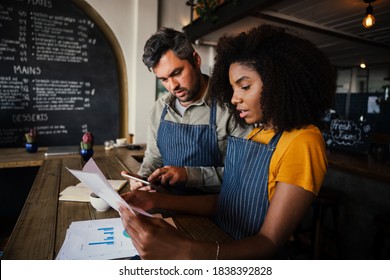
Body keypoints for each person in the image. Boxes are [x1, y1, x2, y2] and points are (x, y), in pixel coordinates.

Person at [119, 24, 335, 259]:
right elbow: (227, 202)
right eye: (232, 88)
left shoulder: (304, 141)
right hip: (221, 240)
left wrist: (185, 250)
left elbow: (270, 242)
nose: (233, 99)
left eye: (244, 86)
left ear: (278, 81)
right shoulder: (258, 134)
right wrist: (155, 199)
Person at [132, 27, 251, 193]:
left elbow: (244, 173)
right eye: (164, 79)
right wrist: (142, 178)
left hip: (214, 213)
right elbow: (154, 157)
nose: (173, 86)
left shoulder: (231, 108)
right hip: (167, 205)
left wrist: (190, 175)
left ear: (196, 60)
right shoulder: (159, 109)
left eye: (177, 73)